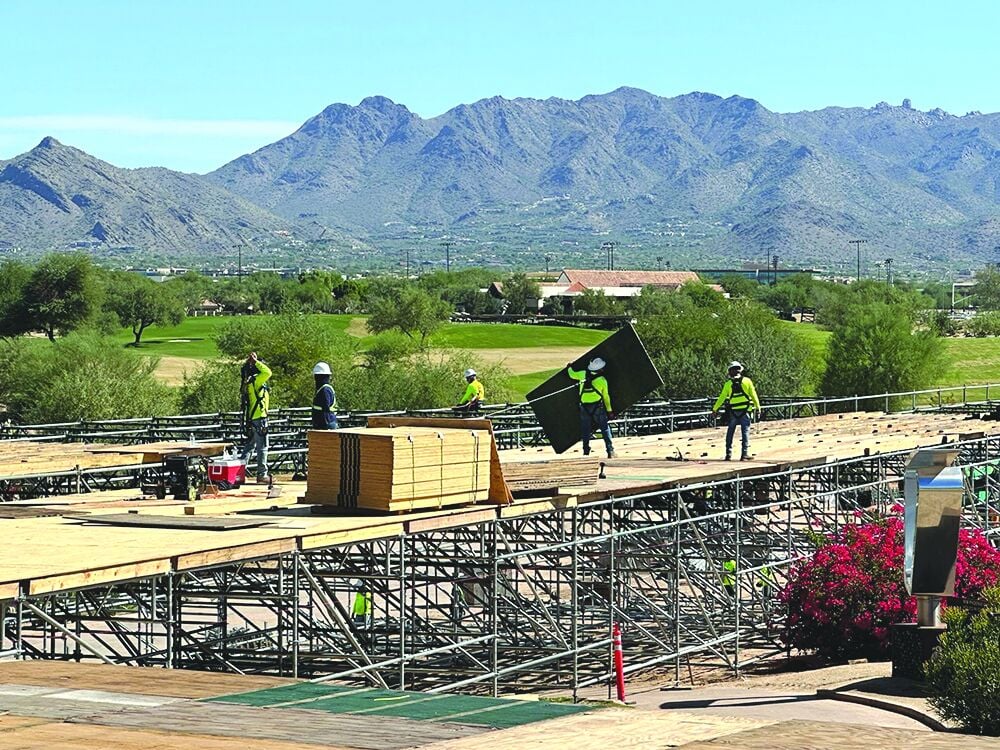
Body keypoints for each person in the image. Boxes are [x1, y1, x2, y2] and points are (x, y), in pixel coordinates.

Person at [567, 357, 616, 458]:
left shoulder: (582, 374)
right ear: (600, 369)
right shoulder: (602, 381)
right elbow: (606, 397)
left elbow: (571, 374)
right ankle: (610, 450)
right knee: (605, 428)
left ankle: (586, 451)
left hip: (584, 408)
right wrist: (609, 411)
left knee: (586, 430)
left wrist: (569, 367)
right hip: (598, 407)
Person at [711, 361, 760, 461]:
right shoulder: (747, 381)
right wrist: (758, 407)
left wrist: (715, 409)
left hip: (733, 412)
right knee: (745, 432)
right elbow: (753, 395)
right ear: (740, 371)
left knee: (730, 432)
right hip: (745, 411)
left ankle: (728, 454)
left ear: (730, 372)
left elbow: (722, 398)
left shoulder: (728, 384)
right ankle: (744, 455)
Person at [239, 352, 271, 483]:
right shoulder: (257, 380)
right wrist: (256, 362)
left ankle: (239, 471)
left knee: (250, 446)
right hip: (260, 417)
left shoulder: (248, 382)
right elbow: (268, 372)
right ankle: (262, 474)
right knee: (263, 446)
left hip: (253, 417)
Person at [311, 361, 338, 429]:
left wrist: (322, 424)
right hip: (325, 422)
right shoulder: (322, 389)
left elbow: (325, 407)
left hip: (326, 423)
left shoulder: (325, 390)